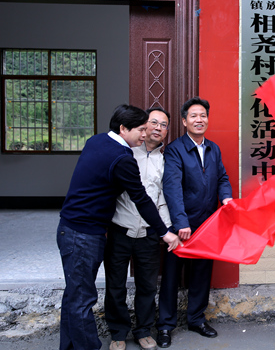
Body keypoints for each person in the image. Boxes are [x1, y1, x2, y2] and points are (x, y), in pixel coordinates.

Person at [57, 105, 181, 350]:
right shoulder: (123, 158)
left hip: (74, 228)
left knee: (74, 296)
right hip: (85, 234)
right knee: (82, 300)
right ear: (123, 128)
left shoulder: (97, 141)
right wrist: (165, 233)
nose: (146, 134)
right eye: (142, 129)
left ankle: (69, 346)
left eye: (155, 127)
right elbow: (141, 199)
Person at [156, 97, 233, 348]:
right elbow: (172, 188)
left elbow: (222, 177)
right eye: (193, 116)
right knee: (171, 277)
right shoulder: (175, 149)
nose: (199, 120)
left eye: (203, 115)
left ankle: (196, 320)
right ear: (184, 121)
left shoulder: (213, 148)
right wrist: (180, 222)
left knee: (201, 274)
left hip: (207, 224)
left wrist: (226, 197)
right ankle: (165, 325)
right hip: (181, 225)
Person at [104, 107, 173, 350]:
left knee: (147, 286)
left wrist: (166, 230)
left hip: (148, 233)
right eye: (153, 122)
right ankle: (118, 332)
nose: (157, 128)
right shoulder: (125, 151)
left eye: (163, 125)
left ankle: (143, 330)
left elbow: (162, 198)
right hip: (120, 229)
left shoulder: (165, 161)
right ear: (143, 125)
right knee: (115, 285)